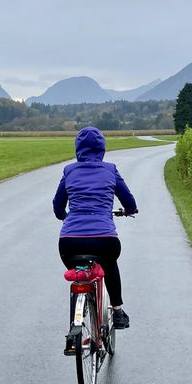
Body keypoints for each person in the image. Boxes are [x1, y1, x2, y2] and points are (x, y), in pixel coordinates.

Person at [53, 126, 138, 338]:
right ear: (102, 149)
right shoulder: (110, 169)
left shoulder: (69, 171)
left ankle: (77, 320)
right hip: (104, 241)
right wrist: (129, 211)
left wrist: (65, 216)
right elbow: (128, 200)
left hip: (69, 243)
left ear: (78, 149)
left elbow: (57, 205)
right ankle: (117, 311)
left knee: (80, 274)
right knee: (109, 264)